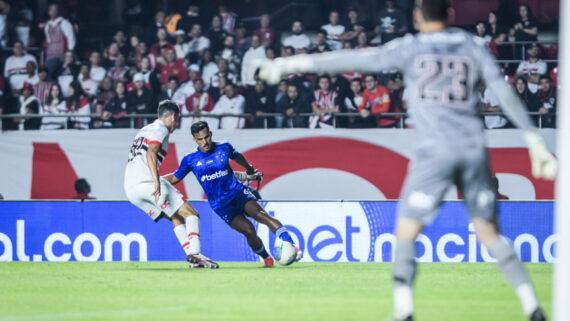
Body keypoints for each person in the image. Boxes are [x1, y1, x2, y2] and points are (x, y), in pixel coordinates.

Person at [258, 0, 556, 320]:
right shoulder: (473, 45)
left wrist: (291, 65)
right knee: (490, 236)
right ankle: (532, 307)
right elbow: (503, 90)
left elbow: (355, 57)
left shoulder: (411, 47)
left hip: (434, 152)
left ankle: (404, 310)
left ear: (416, 17)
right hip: (472, 150)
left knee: (406, 233)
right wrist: (533, 138)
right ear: (452, 15)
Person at [163, 120, 302, 267]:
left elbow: (238, 156)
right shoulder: (190, 159)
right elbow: (174, 178)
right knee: (249, 230)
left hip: (238, 193)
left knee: (261, 215)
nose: (205, 142)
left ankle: (291, 244)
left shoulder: (224, 147)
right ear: (194, 140)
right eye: (200, 139)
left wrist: (249, 169)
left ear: (210, 134)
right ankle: (267, 258)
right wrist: (153, 181)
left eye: (206, 137)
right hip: (221, 206)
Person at [124, 100, 218, 268]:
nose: (177, 123)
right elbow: (151, 153)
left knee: (175, 216)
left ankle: (193, 257)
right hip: (148, 183)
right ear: (173, 116)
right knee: (192, 214)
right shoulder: (161, 129)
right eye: (178, 118)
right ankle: (196, 254)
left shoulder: (143, 131)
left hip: (131, 189)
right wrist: (156, 182)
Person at [44, 4, 76, 81]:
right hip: (50, 55)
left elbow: (71, 38)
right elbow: (48, 40)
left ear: (58, 11)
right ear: (48, 12)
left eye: (55, 10)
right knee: (49, 75)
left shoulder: (64, 23)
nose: (53, 12)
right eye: (51, 10)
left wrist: (69, 53)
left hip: (61, 55)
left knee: (58, 75)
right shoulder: (47, 25)